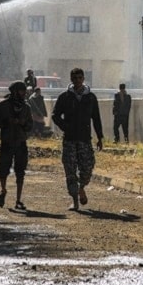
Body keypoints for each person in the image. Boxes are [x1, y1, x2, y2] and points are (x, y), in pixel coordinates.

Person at [51, 67, 104, 211]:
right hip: (69, 140)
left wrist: (100, 137)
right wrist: (65, 127)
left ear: (83, 79)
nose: (77, 81)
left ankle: (81, 188)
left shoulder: (90, 98)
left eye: (80, 78)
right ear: (71, 80)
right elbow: (55, 115)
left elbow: (96, 118)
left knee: (87, 169)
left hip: (85, 140)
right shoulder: (65, 97)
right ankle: (75, 200)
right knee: (70, 170)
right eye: (75, 78)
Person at [0, 81, 33, 210]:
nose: (24, 94)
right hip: (7, 142)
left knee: (20, 172)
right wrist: (6, 122)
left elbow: (30, 126)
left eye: (24, 91)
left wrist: (22, 123)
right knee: (3, 170)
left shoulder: (26, 107)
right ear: (14, 92)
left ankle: (18, 200)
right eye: (21, 91)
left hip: (20, 143)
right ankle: (3, 190)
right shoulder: (2, 106)